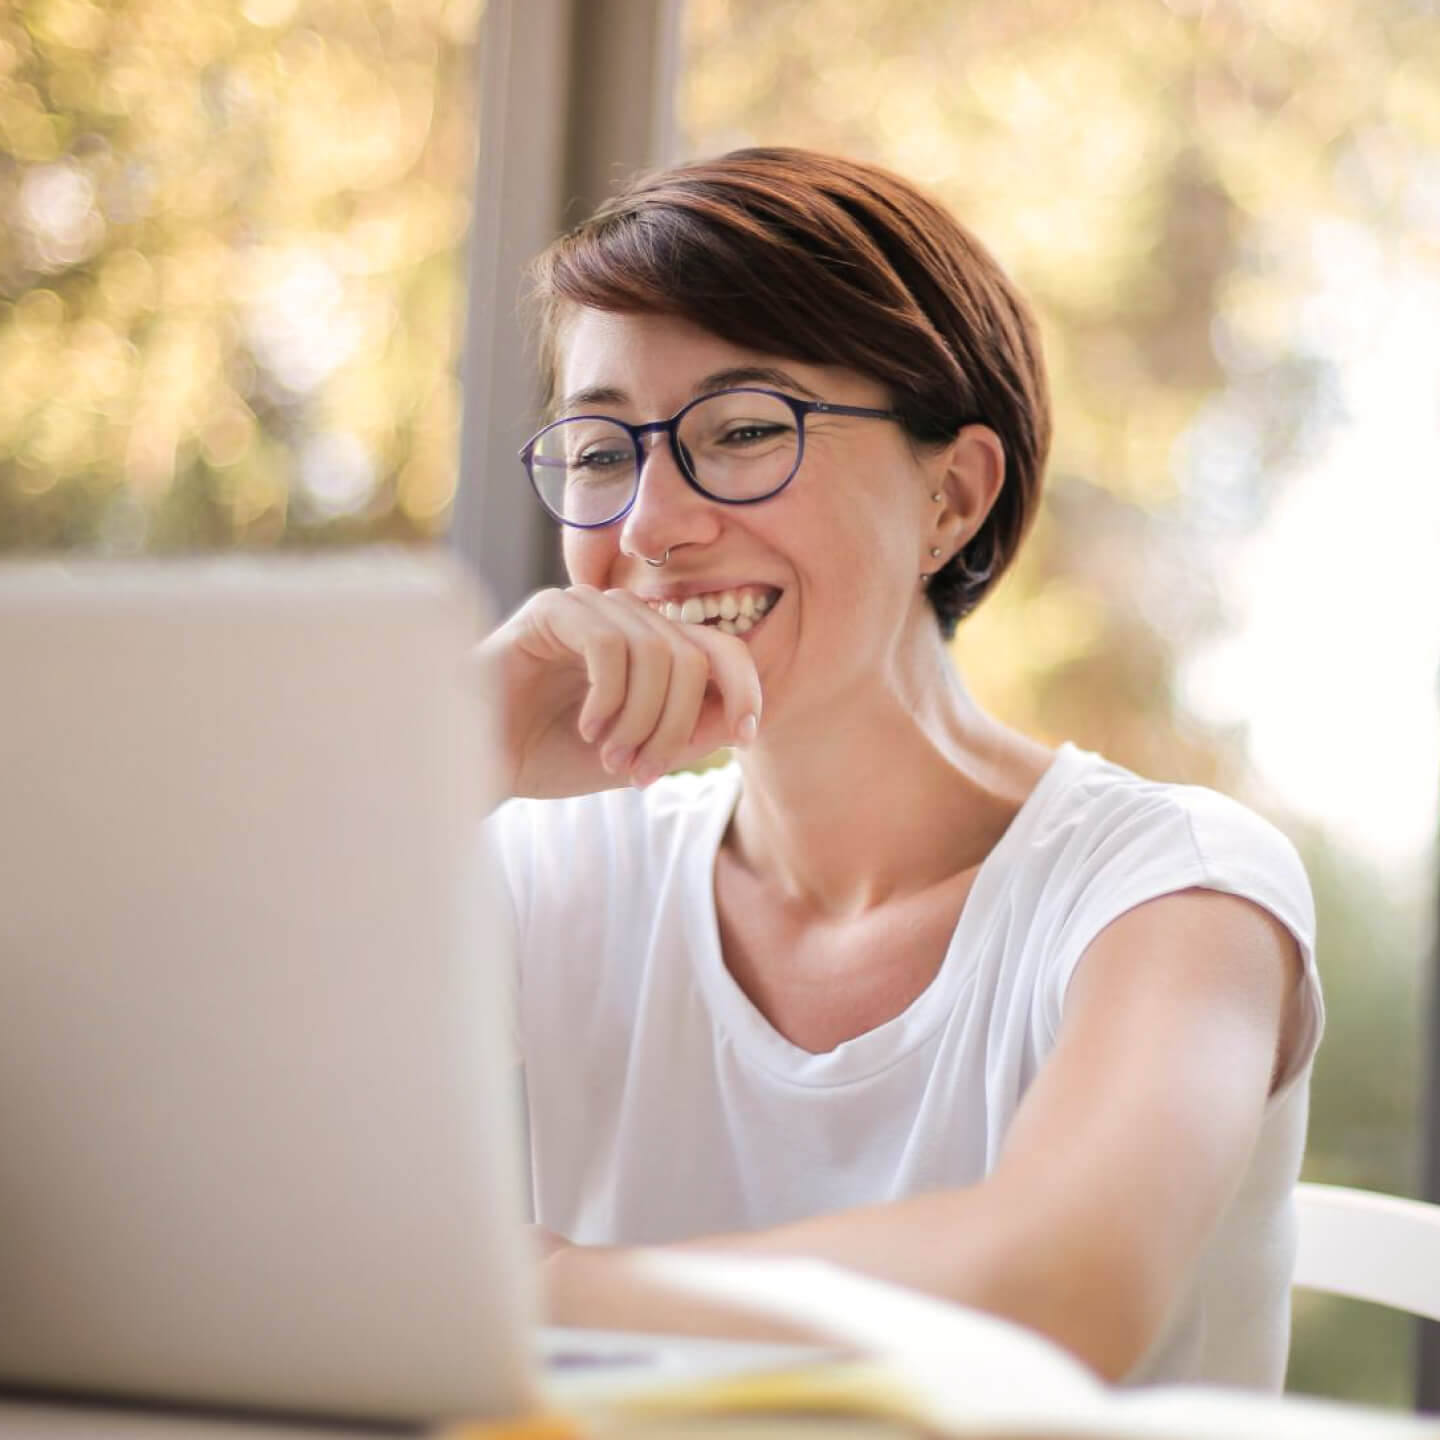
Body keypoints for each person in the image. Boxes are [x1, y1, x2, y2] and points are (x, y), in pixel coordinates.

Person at [479, 147, 1323, 1389]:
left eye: (746, 429)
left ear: (953, 497)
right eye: (603, 453)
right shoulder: (554, 862)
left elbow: (1054, 1292)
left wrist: (530, 1287)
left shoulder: (1173, 891)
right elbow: (176, 1172)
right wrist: (455, 756)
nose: (652, 525)